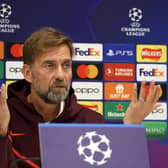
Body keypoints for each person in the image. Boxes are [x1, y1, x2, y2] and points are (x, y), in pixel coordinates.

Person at [0, 27, 161, 168]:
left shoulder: (91, 121)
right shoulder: (6, 116)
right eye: (49, 66)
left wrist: (130, 127)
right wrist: (1, 133)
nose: (60, 75)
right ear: (28, 73)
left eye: (66, 65)